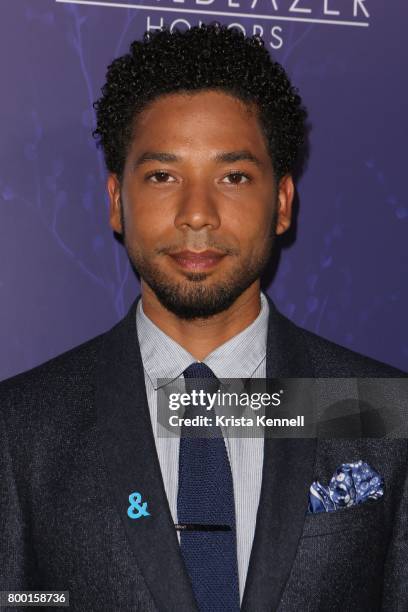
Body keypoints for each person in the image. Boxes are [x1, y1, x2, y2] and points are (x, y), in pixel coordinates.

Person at [0, 23, 406, 612]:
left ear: (283, 203)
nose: (198, 214)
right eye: (164, 176)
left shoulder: (381, 413)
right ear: (116, 201)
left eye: (233, 176)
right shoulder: (21, 430)